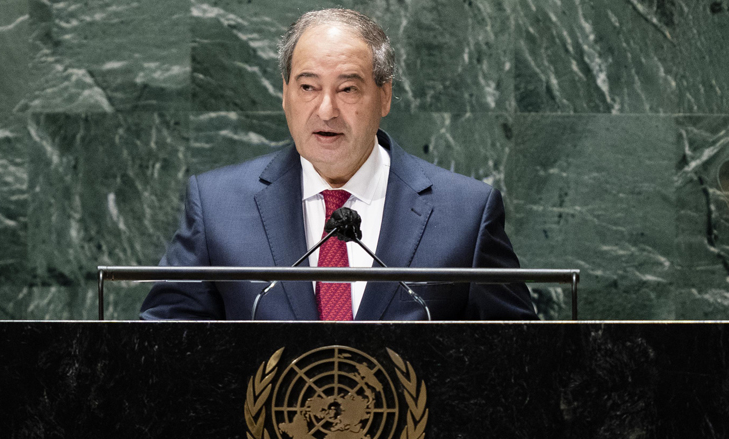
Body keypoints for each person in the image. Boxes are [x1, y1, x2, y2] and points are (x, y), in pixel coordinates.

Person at [140, 8, 537, 321]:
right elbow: (164, 342)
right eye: (308, 87)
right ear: (285, 95)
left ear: (384, 96)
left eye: (347, 89)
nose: (325, 110)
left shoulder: (466, 213)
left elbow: (518, 358)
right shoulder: (217, 206)